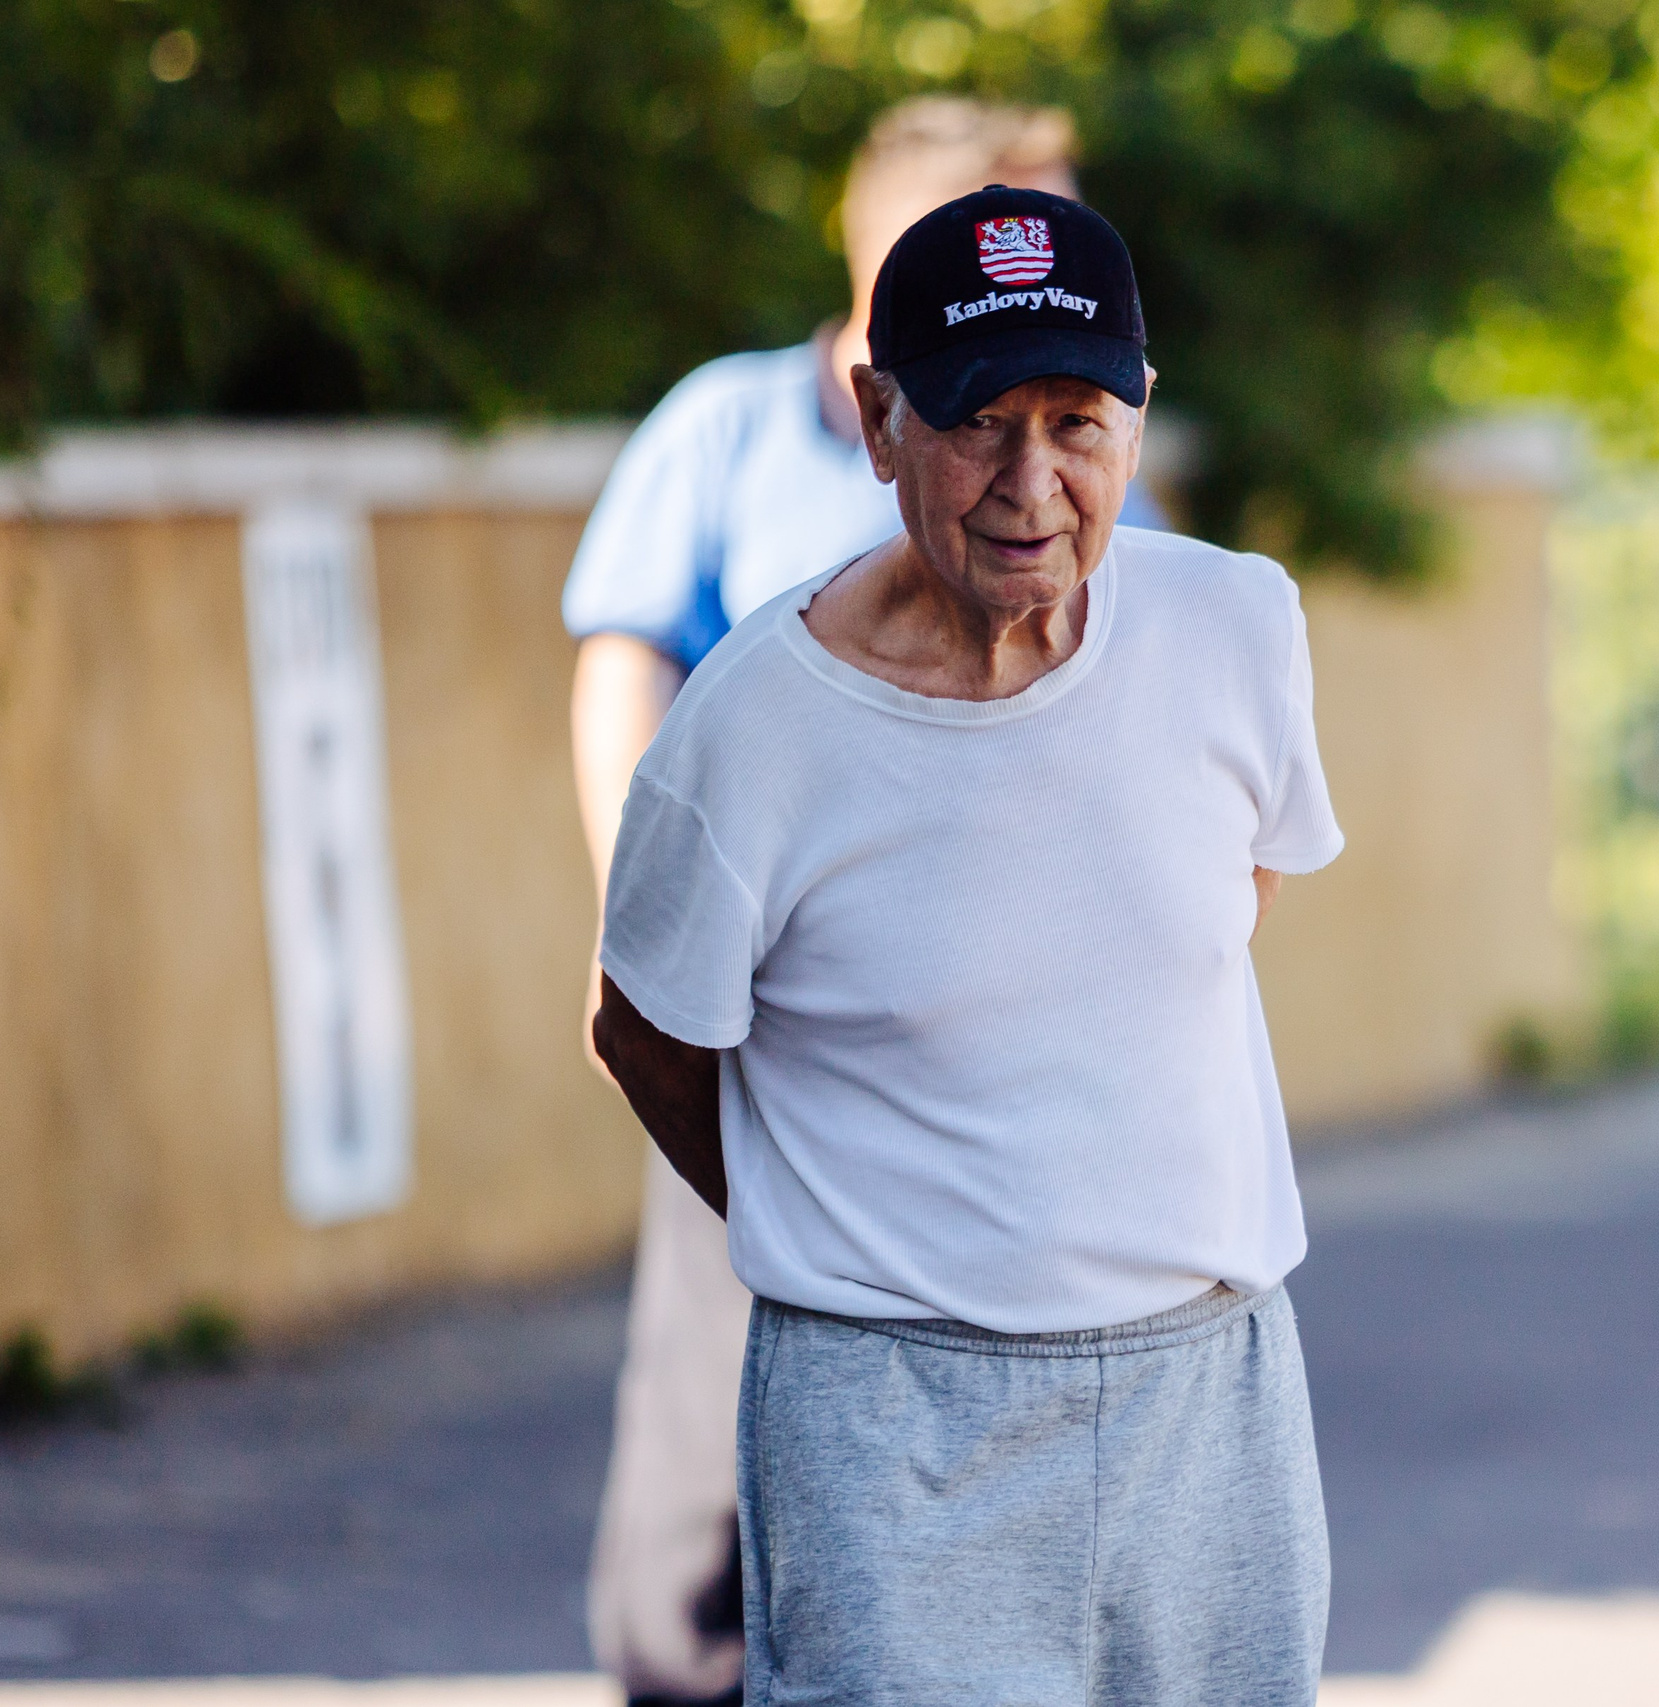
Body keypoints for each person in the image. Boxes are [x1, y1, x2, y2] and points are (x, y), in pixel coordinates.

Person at [593, 186, 1341, 1704]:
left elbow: (1214, 905)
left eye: (1077, 421)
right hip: (891, 1424)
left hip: (1213, 1402)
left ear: (1139, 420)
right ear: (879, 422)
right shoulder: (749, 725)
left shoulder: (1235, 629)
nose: (1031, 481)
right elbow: (642, 1027)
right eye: (977, 419)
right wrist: (852, 1215)